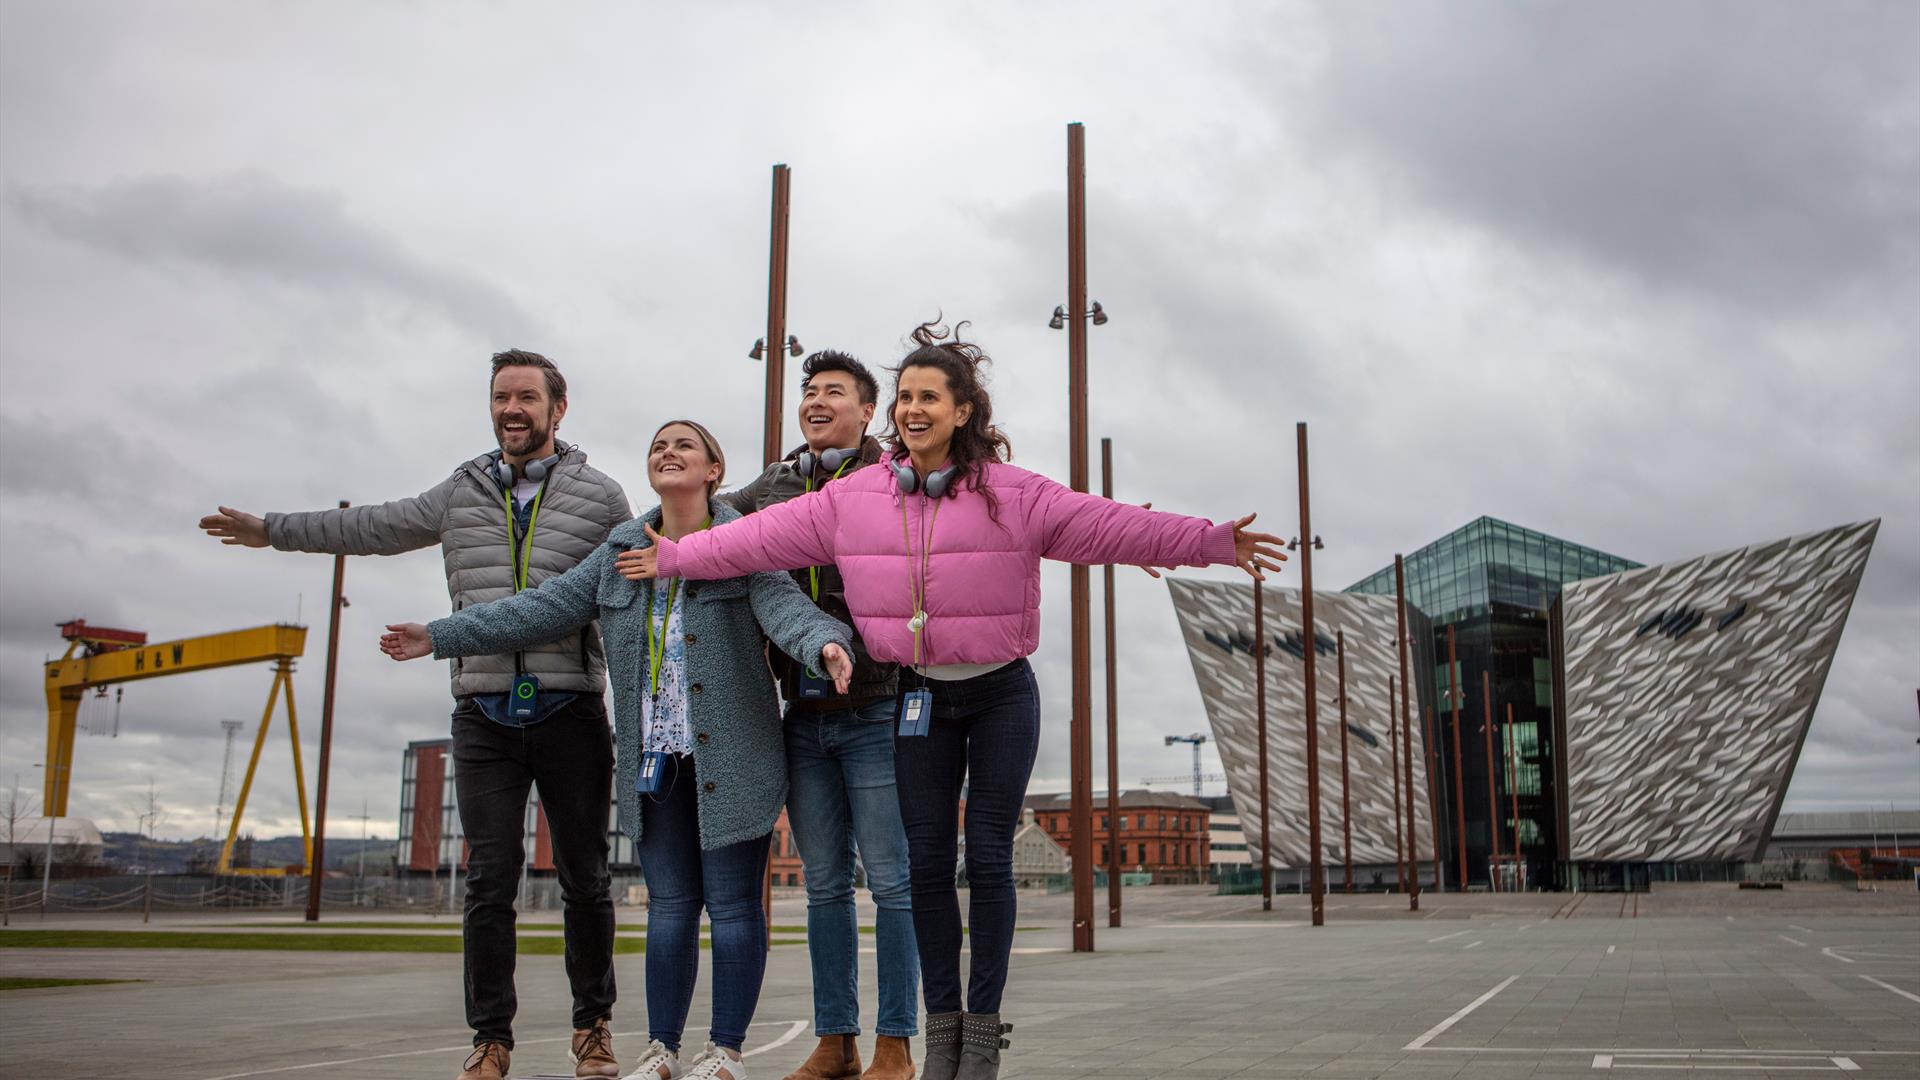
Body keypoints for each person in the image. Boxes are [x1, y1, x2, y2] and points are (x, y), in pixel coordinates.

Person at [614, 321, 1287, 1080]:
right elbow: (754, 540)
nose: (912, 409)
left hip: (1000, 695)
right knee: (929, 868)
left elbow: (1110, 523)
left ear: (964, 410)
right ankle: (939, 1037)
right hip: (918, 699)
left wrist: (1209, 541)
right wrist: (674, 555)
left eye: (928, 396)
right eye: (904, 397)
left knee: (989, 858)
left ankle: (983, 1032)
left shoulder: (1015, 494)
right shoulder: (852, 498)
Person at [200, 349, 631, 1080]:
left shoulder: (602, 497)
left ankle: (593, 1026)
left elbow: (631, 589)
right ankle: (490, 1037)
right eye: (501, 396)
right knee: (489, 878)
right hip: (483, 713)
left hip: (571, 708)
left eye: (527, 396)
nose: (512, 409)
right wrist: (274, 530)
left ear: (559, 409)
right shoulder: (459, 493)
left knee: (586, 877)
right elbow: (373, 526)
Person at [382, 419, 857, 1080]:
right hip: (655, 764)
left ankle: (725, 1053)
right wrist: (440, 635)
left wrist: (824, 643)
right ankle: (662, 1050)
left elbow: (787, 609)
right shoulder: (620, 549)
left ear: (714, 469)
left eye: (684, 444)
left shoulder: (740, 544)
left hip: (735, 762)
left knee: (732, 909)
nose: (667, 452)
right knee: (667, 911)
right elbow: (538, 608)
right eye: (658, 445)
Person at [718, 351, 918, 1080]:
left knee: (892, 880)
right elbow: (703, 522)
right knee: (825, 884)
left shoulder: (893, 478)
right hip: (800, 715)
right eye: (807, 391)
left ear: (869, 412)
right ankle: (837, 1040)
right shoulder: (772, 485)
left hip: (878, 707)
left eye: (834, 391)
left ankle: (896, 1039)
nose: (815, 400)